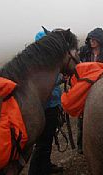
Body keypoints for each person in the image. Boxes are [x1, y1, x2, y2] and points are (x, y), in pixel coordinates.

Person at [28, 31, 64, 175]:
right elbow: (45, 83)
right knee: (42, 143)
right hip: (46, 107)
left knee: (48, 140)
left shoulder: (43, 59)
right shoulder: (39, 62)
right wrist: (60, 78)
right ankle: (35, 171)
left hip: (51, 105)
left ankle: (46, 166)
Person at [77, 27, 103, 154]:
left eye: (94, 39)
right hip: (85, 87)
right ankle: (81, 144)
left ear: (100, 40)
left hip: (100, 88)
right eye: (90, 39)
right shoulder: (84, 53)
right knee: (82, 115)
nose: (91, 41)